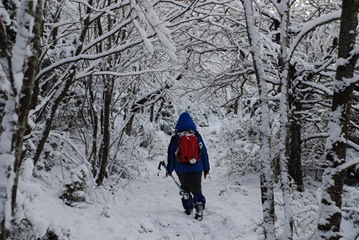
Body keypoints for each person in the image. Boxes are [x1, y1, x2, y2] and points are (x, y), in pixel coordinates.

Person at [166, 112, 210, 220]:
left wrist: (169, 169)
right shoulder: (197, 136)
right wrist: (206, 169)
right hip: (196, 167)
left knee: (185, 187)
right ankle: (199, 204)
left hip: (181, 169)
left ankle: (188, 206)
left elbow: (171, 154)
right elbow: (204, 153)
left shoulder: (176, 137)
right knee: (196, 188)